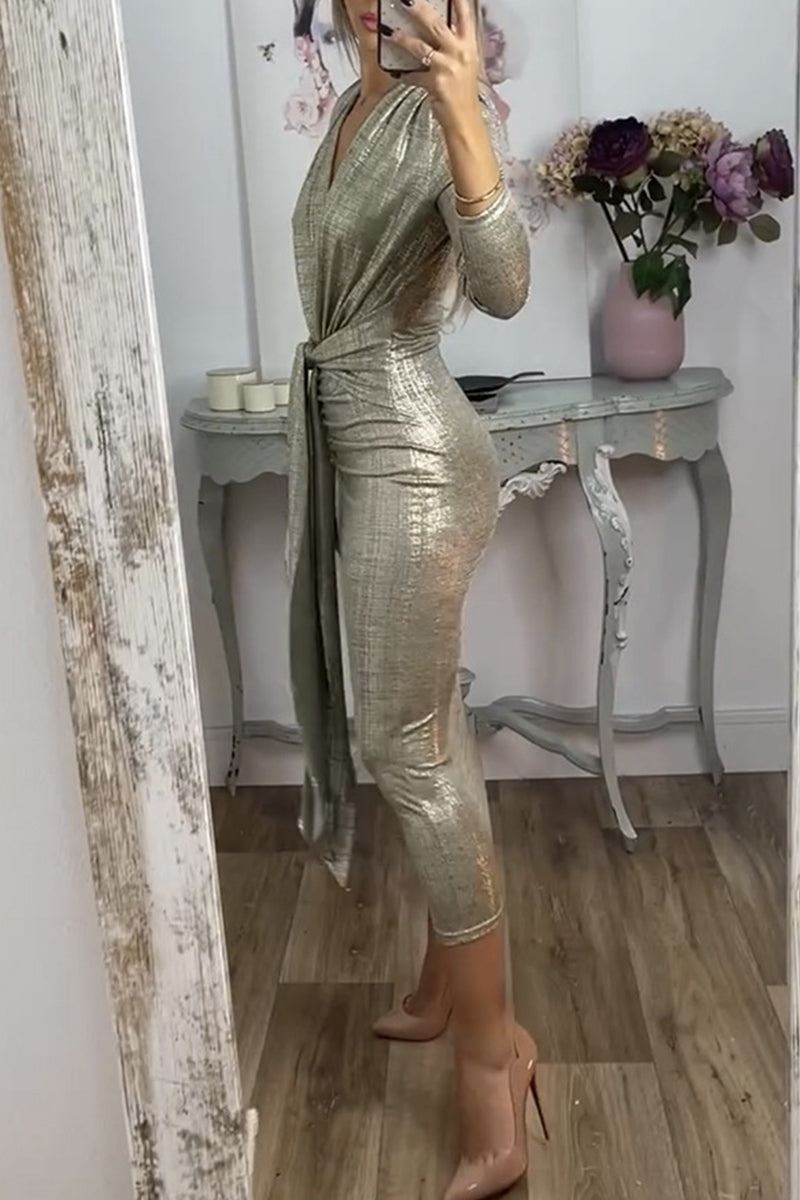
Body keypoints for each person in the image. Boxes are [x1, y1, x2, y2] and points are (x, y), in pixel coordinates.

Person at [285, 2, 545, 1197]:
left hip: (413, 459)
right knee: (427, 730)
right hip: (361, 446)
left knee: (404, 746)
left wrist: (462, 107)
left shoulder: (438, 111)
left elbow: (503, 286)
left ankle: (493, 1059)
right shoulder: (353, 105)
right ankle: (446, 986)